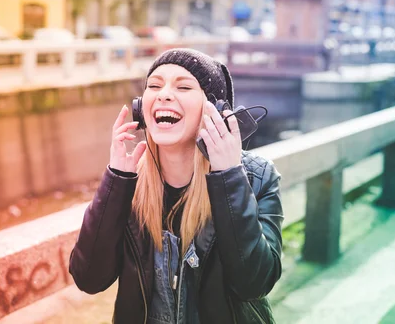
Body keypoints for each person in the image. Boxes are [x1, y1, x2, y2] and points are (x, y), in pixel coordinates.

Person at [69, 48, 284, 323]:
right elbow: (89, 278)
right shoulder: (129, 184)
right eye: (154, 86)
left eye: (183, 86)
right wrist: (116, 181)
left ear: (217, 111)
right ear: (141, 108)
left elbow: (254, 283)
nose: (164, 94)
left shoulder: (256, 178)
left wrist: (229, 176)